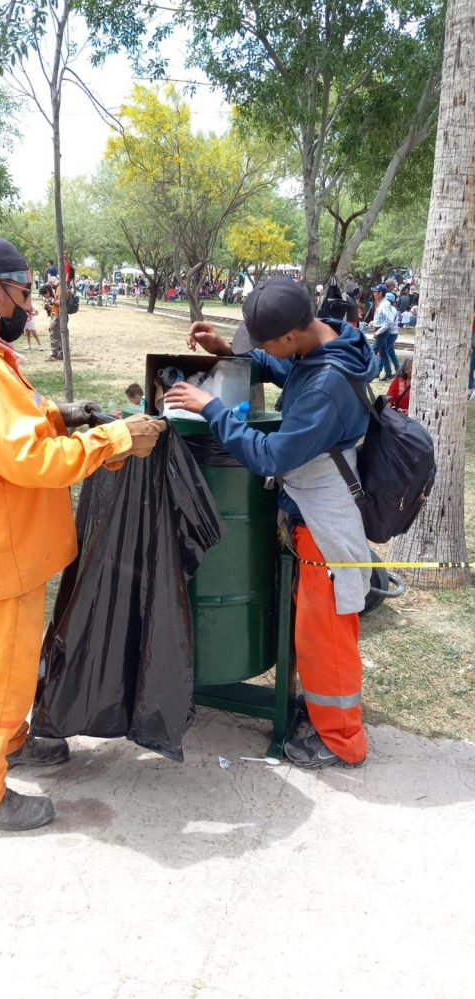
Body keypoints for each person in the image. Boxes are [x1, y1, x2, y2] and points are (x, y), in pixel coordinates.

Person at [0, 234, 166, 832]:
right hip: (1, 545)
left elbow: (5, 430)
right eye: (25, 293)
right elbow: (29, 460)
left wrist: (62, 417)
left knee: (12, 659)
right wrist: (115, 439)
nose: (30, 306)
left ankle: (13, 741)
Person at [166, 276, 375, 770]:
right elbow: (283, 367)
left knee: (328, 635)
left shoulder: (325, 387)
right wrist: (231, 353)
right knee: (311, 632)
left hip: (328, 525)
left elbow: (271, 456)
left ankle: (343, 740)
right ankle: (322, 714)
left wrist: (213, 409)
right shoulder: (322, 341)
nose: (261, 351)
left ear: (290, 336)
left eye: (262, 343)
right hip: (311, 518)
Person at [373, 289, 398, 379]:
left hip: (389, 333)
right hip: (388, 332)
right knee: (386, 352)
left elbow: (389, 321)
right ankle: (389, 373)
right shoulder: (387, 306)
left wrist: (379, 331)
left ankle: (377, 371)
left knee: (376, 351)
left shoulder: (390, 308)